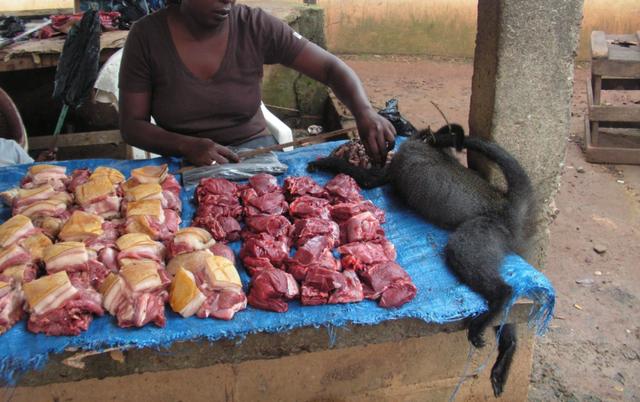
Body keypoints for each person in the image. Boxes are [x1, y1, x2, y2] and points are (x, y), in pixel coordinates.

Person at [118, 0, 395, 167]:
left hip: (255, 151)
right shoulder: (147, 37)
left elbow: (331, 67)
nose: (228, 0)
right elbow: (132, 126)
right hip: (182, 160)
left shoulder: (254, 26)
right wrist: (186, 146)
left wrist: (364, 111)